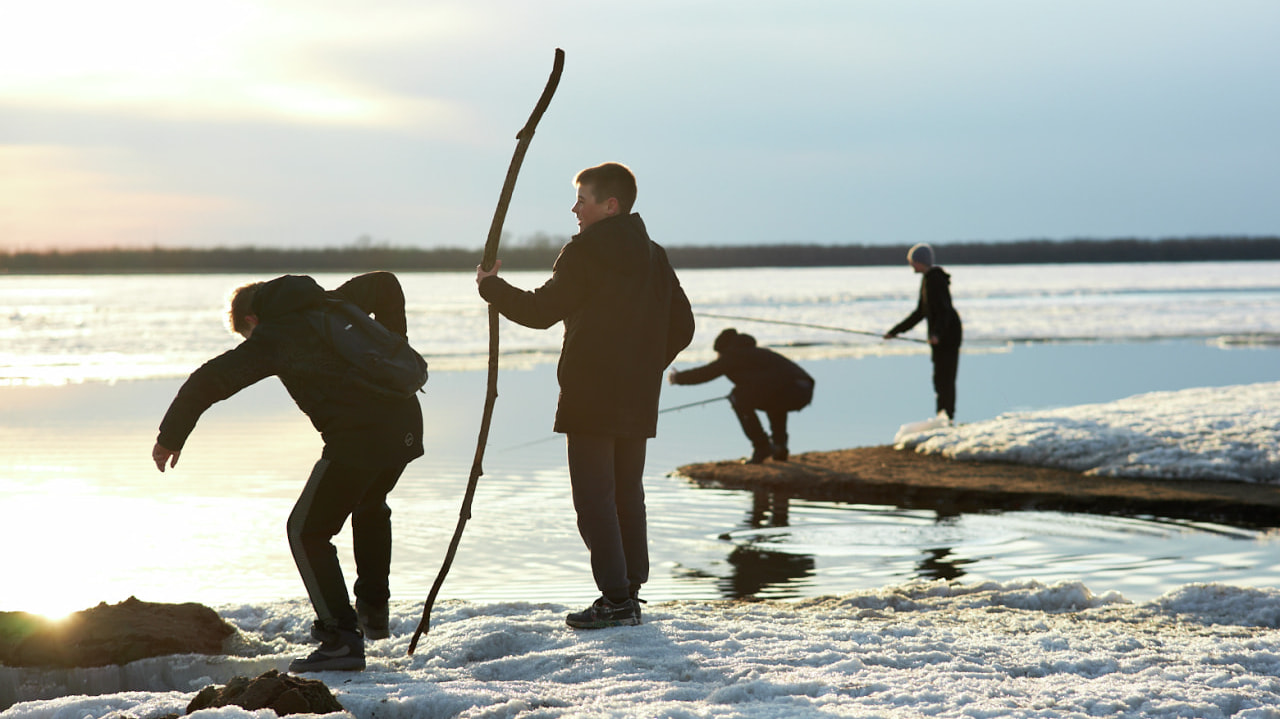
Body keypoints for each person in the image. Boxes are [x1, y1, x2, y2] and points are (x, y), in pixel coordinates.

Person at [151, 271, 423, 673]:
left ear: (251, 322)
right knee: (369, 502)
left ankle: (341, 639)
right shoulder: (332, 302)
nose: (250, 344)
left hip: (359, 437)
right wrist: (393, 348)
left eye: (246, 337)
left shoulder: (275, 336)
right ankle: (373, 612)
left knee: (307, 532)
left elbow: (210, 379)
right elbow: (386, 283)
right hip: (404, 424)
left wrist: (170, 436)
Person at [476, 162, 694, 629]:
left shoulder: (584, 252)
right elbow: (684, 326)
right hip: (636, 395)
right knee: (626, 494)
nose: (575, 208)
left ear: (609, 205)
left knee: (595, 498)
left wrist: (492, 288)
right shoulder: (654, 255)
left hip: (591, 393)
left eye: (583, 200)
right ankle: (628, 590)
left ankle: (616, 600)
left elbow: (540, 310)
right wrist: (642, 367)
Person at [668, 328, 814, 463]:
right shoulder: (752, 353)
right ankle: (779, 447)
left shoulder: (734, 355)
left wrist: (678, 378)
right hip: (803, 388)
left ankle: (762, 446)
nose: (718, 358)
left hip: (794, 389)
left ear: (722, 350)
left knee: (738, 397)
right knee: (772, 400)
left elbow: (707, 373)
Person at [883, 243, 963, 421]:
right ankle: (943, 417)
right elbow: (920, 312)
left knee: (945, 379)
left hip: (948, 337)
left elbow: (945, 310)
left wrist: (937, 334)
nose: (911, 265)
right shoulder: (928, 279)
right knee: (940, 379)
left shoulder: (935, 280)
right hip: (942, 336)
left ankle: (947, 418)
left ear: (920, 261)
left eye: (912, 261)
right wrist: (895, 331)